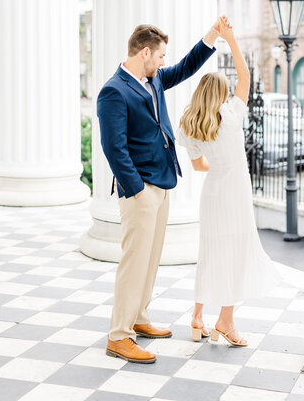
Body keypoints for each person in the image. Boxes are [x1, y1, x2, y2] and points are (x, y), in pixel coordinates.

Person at [97, 21, 221, 363]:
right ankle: (118, 336)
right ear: (145, 52)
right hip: (140, 190)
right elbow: (113, 147)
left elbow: (185, 67)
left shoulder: (154, 80)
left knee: (150, 262)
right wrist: (136, 190)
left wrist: (211, 36)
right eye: (161, 54)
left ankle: (139, 318)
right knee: (133, 262)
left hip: (162, 181)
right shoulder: (113, 91)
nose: (165, 61)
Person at [177, 16, 282, 347]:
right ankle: (225, 320)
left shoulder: (191, 124)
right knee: (234, 254)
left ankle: (197, 317)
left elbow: (199, 166)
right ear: (222, 93)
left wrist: (218, 166)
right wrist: (230, 39)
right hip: (235, 191)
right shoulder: (232, 115)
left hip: (213, 193)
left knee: (209, 254)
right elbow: (246, 76)